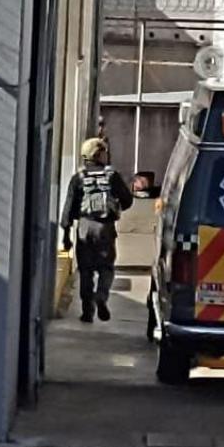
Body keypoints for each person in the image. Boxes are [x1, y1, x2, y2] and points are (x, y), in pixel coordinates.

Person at [61, 137, 134, 324]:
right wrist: (116, 208)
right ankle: (101, 296)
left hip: (84, 227)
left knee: (85, 271)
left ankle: (87, 312)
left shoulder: (79, 177)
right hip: (105, 228)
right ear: (99, 154)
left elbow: (68, 208)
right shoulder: (112, 176)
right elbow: (127, 200)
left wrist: (66, 236)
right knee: (106, 268)